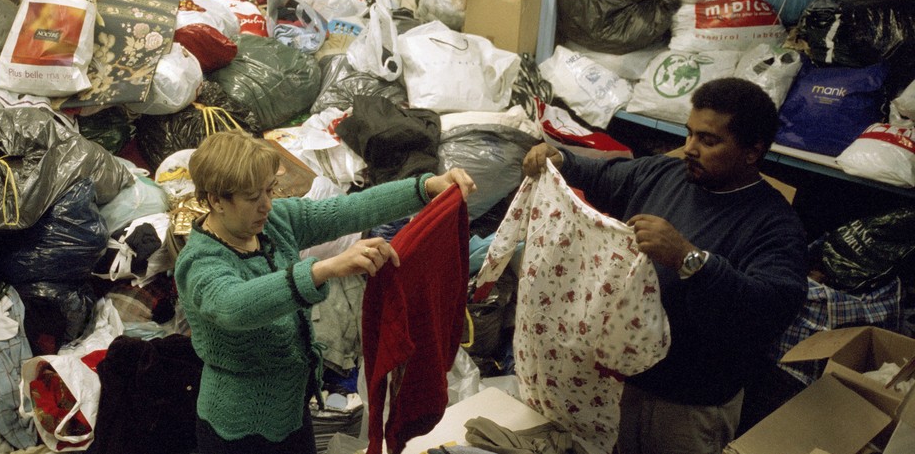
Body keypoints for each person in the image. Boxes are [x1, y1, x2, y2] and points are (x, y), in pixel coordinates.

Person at [522, 77, 807, 454]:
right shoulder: (663, 175)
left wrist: (689, 258)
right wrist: (560, 159)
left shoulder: (774, 224)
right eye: (688, 134)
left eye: (708, 140)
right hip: (621, 384)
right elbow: (603, 176)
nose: (689, 149)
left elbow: (769, 309)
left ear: (752, 152)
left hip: (689, 406)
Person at [175, 130, 476, 454]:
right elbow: (233, 306)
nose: (266, 205)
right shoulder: (200, 262)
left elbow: (347, 210)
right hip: (237, 431)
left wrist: (425, 188)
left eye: (269, 190)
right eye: (252, 197)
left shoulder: (275, 222)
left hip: (292, 412)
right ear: (216, 200)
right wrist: (324, 268)